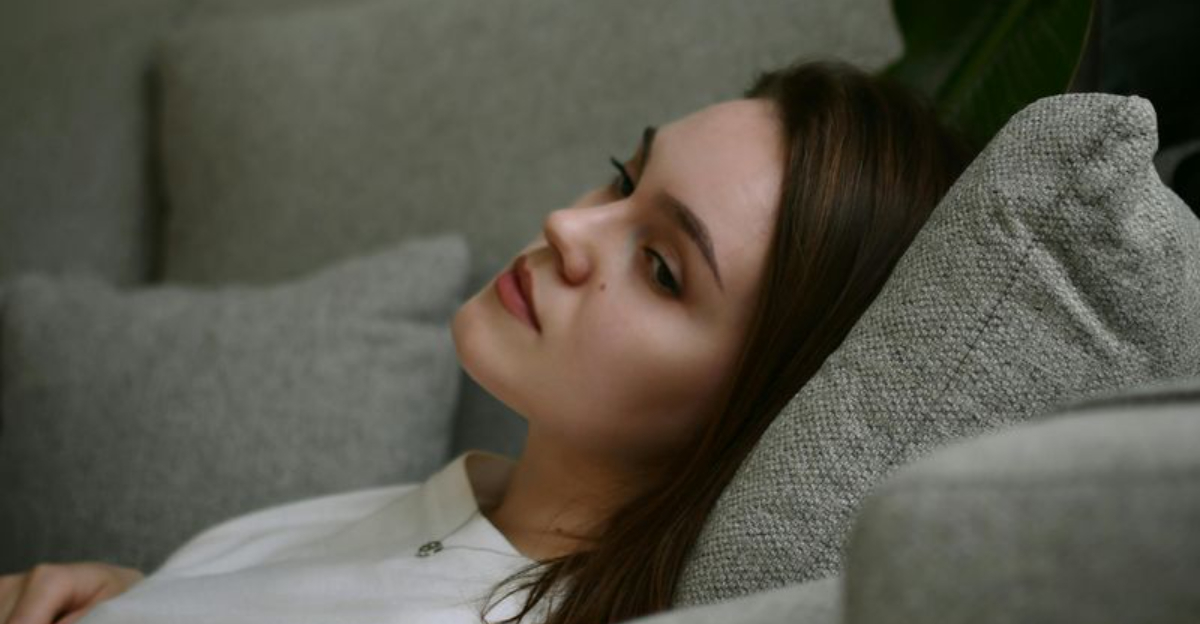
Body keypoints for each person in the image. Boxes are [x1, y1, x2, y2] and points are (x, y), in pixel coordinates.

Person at [0, 59, 975, 624]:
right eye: (622, 178)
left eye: (662, 267)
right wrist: (147, 599)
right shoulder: (463, 510)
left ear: (763, 403)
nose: (568, 225)